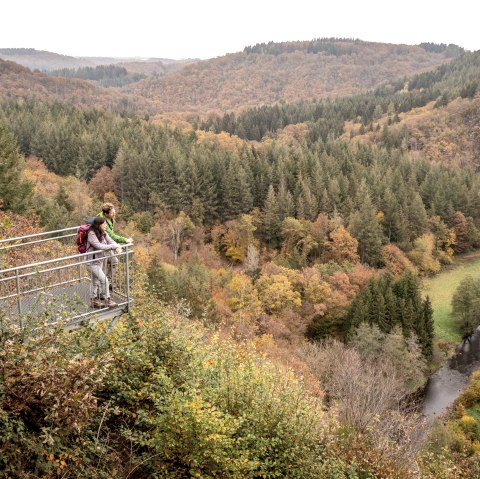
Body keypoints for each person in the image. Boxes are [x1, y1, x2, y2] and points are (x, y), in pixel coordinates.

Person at [85, 216, 121, 308]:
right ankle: (107, 300)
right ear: (99, 225)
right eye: (104, 224)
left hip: (99, 260)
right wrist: (113, 247)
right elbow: (99, 246)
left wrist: (116, 245)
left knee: (95, 281)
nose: (105, 225)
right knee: (104, 280)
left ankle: (94, 301)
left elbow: (110, 241)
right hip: (91, 262)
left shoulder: (103, 232)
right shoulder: (91, 234)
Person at [98, 202, 133, 291]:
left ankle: (106, 283)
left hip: (107, 244)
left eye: (114, 212)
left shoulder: (110, 219)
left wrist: (116, 244)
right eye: (112, 213)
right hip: (102, 246)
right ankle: (104, 285)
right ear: (106, 214)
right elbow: (110, 236)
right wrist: (124, 240)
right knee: (112, 262)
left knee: (112, 263)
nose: (114, 214)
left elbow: (110, 236)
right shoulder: (102, 221)